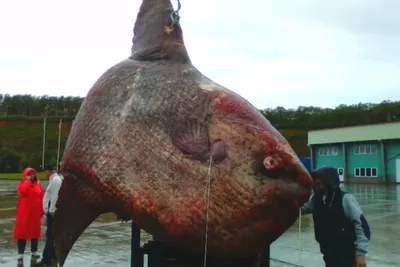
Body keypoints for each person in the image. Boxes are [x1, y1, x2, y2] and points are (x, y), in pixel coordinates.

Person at [301, 166, 370, 267]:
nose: (317, 182)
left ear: (330, 180)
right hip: (328, 252)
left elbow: (361, 225)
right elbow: (301, 209)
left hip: (348, 254)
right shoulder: (316, 199)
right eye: (315, 180)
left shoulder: (346, 199)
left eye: (320, 180)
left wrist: (360, 254)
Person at [12, 167, 45, 262]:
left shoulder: (38, 186)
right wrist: (27, 182)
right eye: (29, 174)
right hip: (24, 213)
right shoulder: (21, 184)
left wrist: (42, 211)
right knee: (22, 233)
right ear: (25, 175)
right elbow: (23, 192)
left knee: (35, 232)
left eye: (33, 173)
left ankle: (34, 251)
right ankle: (20, 253)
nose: (31, 175)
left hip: (35, 214)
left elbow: (41, 197)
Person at [33, 165, 63, 267]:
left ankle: (46, 259)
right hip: (52, 211)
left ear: (49, 171)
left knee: (50, 236)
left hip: (52, 212)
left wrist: (51, 211)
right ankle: (54, 257)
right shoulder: (55, 180)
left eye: (45, 171)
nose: (44, 173)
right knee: (53, 235)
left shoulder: (55, 181)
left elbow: (55, 196)